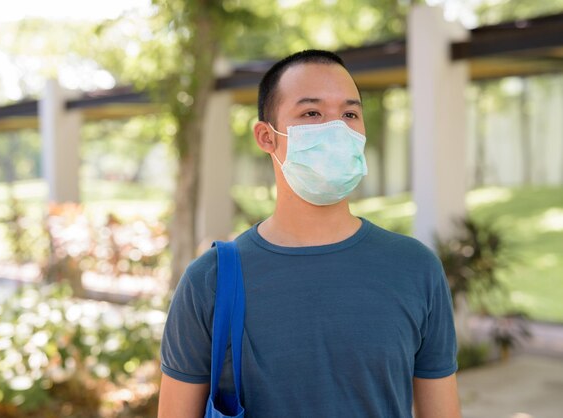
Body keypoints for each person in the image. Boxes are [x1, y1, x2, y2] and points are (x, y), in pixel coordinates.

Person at [158, 49, 461, 418]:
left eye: (350, 114)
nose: (337, 129)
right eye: (311, 113)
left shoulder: (415, 268)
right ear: (267, 137)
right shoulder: (210, 281)